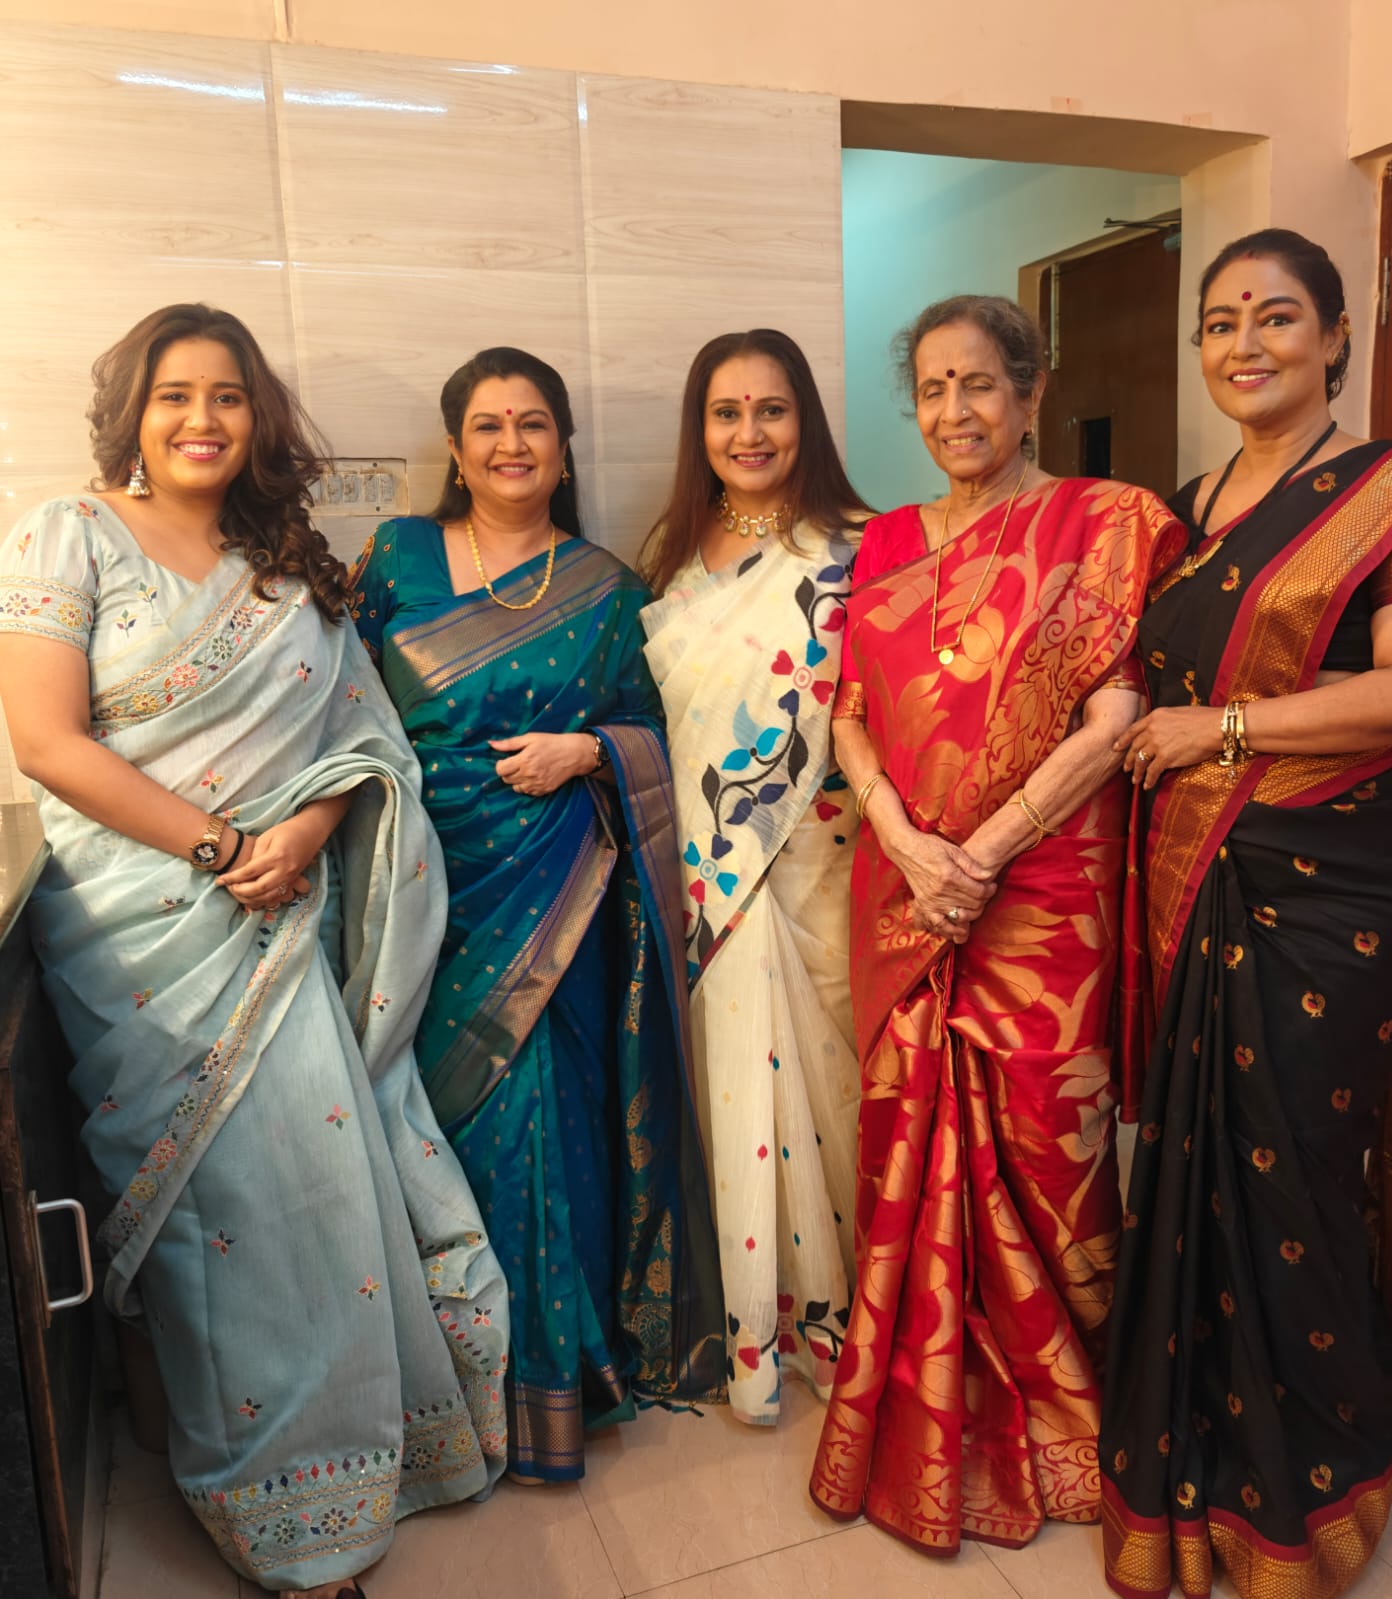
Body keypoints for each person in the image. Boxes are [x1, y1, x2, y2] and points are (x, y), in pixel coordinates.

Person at [0, 304, 510, 1599]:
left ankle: (344, 1472)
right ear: (132, 408)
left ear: (258, 415)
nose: (201, 418)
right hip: (142, 930)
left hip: (278, 910)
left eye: (227, 395)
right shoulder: (70, 535)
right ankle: (274, 1503)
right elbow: (50, 743)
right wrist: (229, 844)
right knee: (215, 1218)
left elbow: (363, 736)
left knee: (311, 1193)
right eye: (175, 394)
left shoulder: (285, 560)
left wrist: (308, 829)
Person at [1098, 229, 1392, 1599]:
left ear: (1333, 336)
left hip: (1341, 884)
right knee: (1195, 1161)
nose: (1242, 343)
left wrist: (1227, 726)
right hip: (1201, 870)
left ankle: (1319, 1467)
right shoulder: (1182, 510)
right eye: (1219, 322)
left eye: (1274, 317)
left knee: (1300, 1167)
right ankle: (1198, 1436)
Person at [807, 294, 1183, 1553]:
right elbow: (847, 708)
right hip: (908, 888)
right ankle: (929, 1393)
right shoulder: (886, 541)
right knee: (910, 1124)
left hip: (1044, 892)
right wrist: (912, 845)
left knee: (1050, 1140)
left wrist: (984, 848)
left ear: (1030, 390)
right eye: (931, 391)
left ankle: (1081, 1402)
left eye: (979, 385)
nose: (954, 413)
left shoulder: (1107, 523)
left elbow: (1116, 716)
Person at [353, 346, 726, 1484]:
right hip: (419, 885)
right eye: (487, 425)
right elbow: (343, 700)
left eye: (534, 425)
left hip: (555, 891)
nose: (512, 444)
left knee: (543, 1133)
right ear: (456, 447)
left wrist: (588, 751)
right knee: (434, 1131)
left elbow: (658, 735)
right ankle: (447, 1395)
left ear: (563, 449)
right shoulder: (399, 557)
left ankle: (552, 1385)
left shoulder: (609, 588)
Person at [638, 330, 871, 1426]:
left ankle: (853, 1312)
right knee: (740, 1084)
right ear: (700, 432)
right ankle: (759, 1329)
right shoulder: (669, 557)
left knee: (834, 1086)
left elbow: (887, 720)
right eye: (726, 413)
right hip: (708, 869)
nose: (749, 433)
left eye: (770, 410)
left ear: (805, 420)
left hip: (825, 861)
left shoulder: (864, 551)